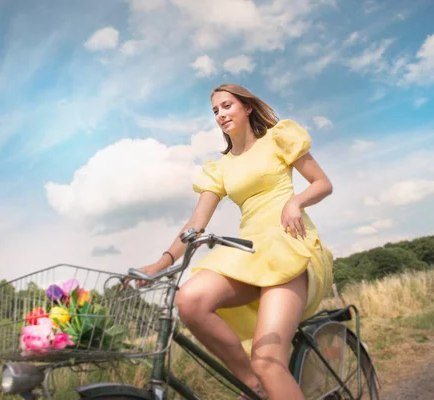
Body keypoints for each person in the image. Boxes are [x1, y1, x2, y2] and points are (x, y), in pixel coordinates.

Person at [131, 84, 334, 400]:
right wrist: (160, 264)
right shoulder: (221, 167)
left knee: (269, 362)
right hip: (249, 252)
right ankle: (251, 384)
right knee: (190, 300)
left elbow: (322, 183)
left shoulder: (278, 138)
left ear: (247, 108)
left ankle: (264, 376)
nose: (221, 114)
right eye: (215, 110)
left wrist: (295, 202)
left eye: (227, 106)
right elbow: (195, 225)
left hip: (288, 245)